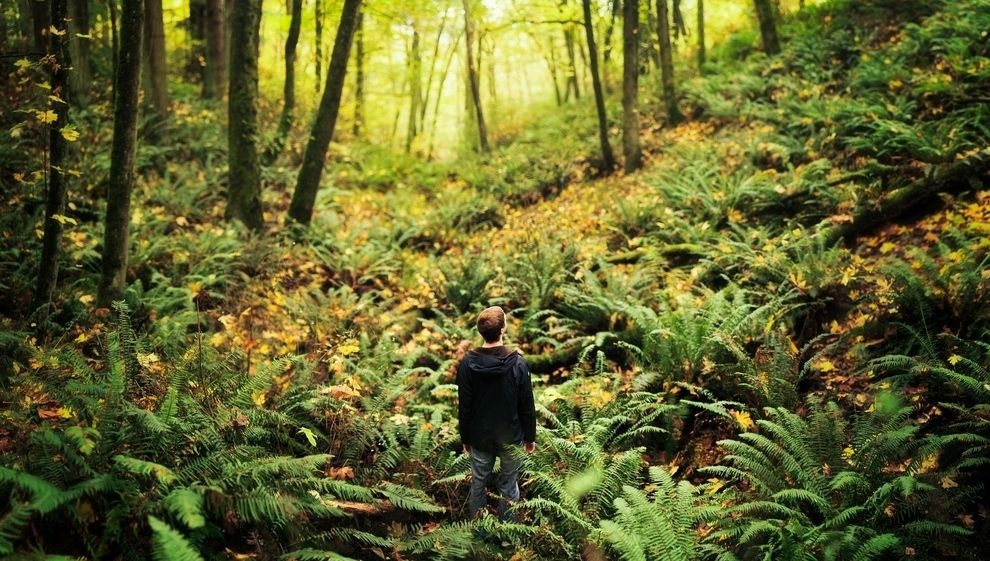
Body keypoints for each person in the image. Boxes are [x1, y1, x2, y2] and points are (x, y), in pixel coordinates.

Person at [456, 305, 537, 523]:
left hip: (480, 438)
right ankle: (507, 535)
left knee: (478, 485)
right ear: (503, 329)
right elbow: (527, 405)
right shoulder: (518, 363)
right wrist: (530, 438)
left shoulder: (467, 364)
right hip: (511, 437)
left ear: (480, 331)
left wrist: (465, 438)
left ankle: (479, 534)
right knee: (509, 485)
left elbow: (464, 406)